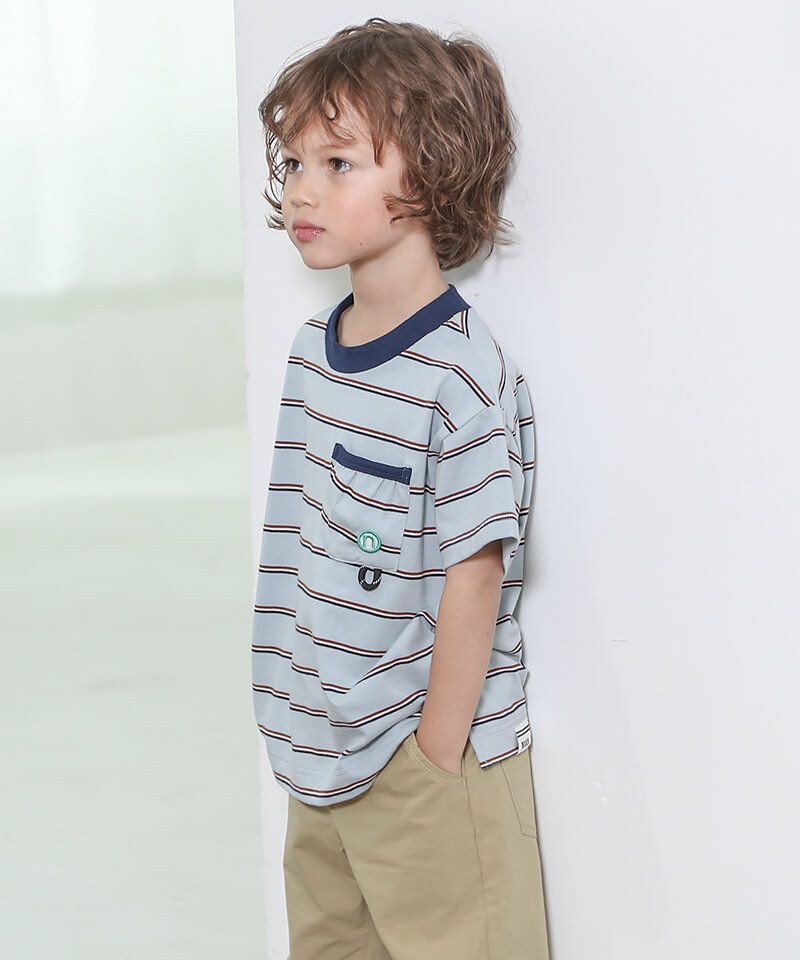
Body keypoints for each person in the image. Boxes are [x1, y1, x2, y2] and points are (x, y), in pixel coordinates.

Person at [251, 17, 550, 960]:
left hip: (423, 769)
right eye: (294, 163)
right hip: (316, 755)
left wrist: (434, 754)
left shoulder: (461, 379)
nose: (302, 189)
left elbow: (477, 576)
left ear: (428, 174)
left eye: (338, 163)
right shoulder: (312, 355)